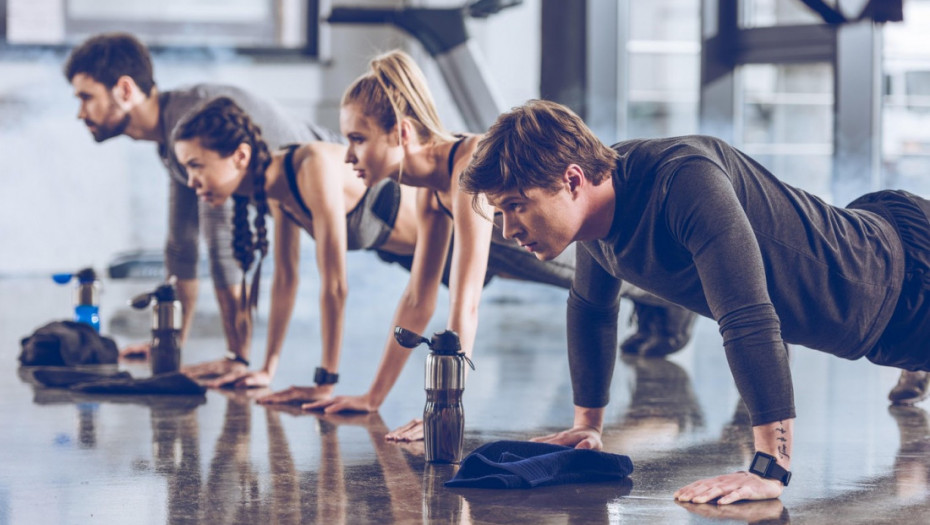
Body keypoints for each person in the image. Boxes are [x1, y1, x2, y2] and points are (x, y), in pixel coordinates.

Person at [459, 99, 930, 504]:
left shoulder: (684, 182)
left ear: (573, 180)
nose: (508, 230)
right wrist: (588, 426)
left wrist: (771, 467)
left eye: (516, 206)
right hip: (878, 278)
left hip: (905, 284)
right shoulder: (597, 221)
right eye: (500, 213)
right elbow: (591, 309)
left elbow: (748, 317)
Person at [294, 50, 695, 441]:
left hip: (581, 251)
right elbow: (419, 298)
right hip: (531, 259)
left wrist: (447, 407)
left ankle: (675, 311)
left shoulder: (466, 165)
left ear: (400, 133)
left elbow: (465, 302)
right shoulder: (429, 188)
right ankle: (663, 316)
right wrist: (372, 398)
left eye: (357, 139)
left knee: (643, 280)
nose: (347, 155)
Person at [172, 96, 574, 399]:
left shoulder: (310, 166)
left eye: (195, 165)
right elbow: (285, 282)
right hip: (424, 251)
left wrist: (324, 382)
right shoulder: (275, 192)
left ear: (240, 156)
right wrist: (266, 369)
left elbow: (334, 286)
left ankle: (641, 297)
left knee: (584, 271)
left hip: (467, 235)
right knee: (582, 278)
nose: (190, 181)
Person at [63, 32, 339, 378]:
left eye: (86, 97)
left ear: (124, 90)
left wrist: (236, 357)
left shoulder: (191, 120)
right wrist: (168, 342)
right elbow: (182, 247)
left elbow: (221, 243)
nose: (80, 113)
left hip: (373, 201)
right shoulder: (172, 139)